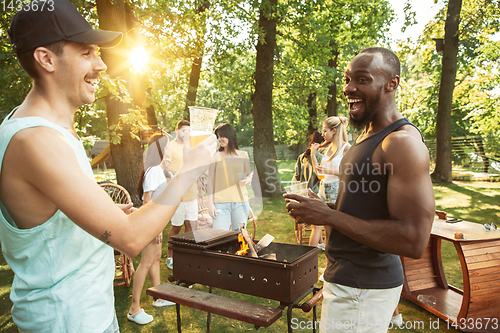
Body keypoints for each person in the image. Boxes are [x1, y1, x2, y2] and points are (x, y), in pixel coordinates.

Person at [0, 1, 216, 332]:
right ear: (46, 59)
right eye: (86, 53)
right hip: (69, 320)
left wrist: (110, 213)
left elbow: (55, 219)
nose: (101, 65)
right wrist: (191, 169)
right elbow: (130, 240)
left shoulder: (39, 127)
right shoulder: (36, 140)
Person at [284, 47, 435, 333]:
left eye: (362, 80)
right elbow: (365, 211)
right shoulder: (365, 137)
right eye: (347, 79)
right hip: (347, 281)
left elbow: (413, 239)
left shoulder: (400, 143)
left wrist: (329, 217)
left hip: (362, 289)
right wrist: (323, 209)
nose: (349, 88)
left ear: (392, 83)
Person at [127, 133, 175, 325]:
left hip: (154, 223)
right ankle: (134, 308)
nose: (170, 149)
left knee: (155, 259)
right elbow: (147, 201)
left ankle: (158, 296)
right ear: (161, 149)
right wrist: (153, 229)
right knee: (146, 262)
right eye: (168, 146)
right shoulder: (154, 170)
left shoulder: (156, 169)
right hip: (149, 223)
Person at [161, 120, 198, 270]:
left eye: (189, 131)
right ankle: (170, 256)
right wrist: (177, 175)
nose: (186, 133)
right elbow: (164, 168)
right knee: (176, 227)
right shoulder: (170, 146)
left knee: (190, 226)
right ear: (177, 130)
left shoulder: (193, 147)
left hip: (192, 194)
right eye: (184, 131)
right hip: (177, 195)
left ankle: (186, 254)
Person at [207, 123, 252, 231]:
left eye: (222, 136)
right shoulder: (215, 155)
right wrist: (210, 203)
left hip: (241, 203)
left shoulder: (243, 155)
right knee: (220, 237)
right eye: (218, 137)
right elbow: (210, 180)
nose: (219, 139)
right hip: (220, 204)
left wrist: (248, 179)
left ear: (230, 136)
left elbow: (247, 176)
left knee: (239, 237)